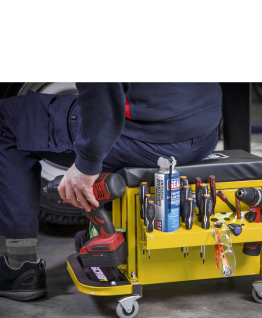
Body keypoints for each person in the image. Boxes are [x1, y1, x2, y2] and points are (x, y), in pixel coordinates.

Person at [0, 82, 223, 301]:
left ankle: (21, 266)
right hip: (204, 130)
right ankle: (107, 235)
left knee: (6, 119)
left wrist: (87, 163)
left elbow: (101, 93)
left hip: (149, 136)